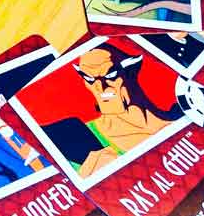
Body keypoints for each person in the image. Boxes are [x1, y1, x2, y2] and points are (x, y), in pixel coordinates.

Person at [70, 44, 182, 177]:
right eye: (89, 79)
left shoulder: (183, 115)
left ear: (130, 72)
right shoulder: (81, 138)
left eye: (110, 75)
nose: (100, 86)